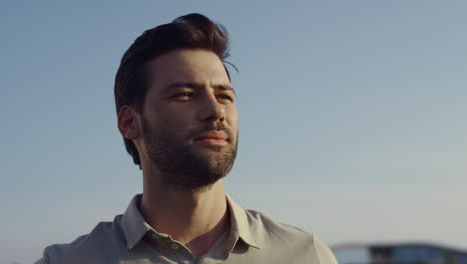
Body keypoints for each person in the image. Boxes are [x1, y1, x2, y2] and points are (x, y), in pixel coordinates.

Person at [34, 13, 338, 264]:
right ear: (129, 123)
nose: (215, 110)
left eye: (224, 95)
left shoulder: (306, 255)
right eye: (185, 95)